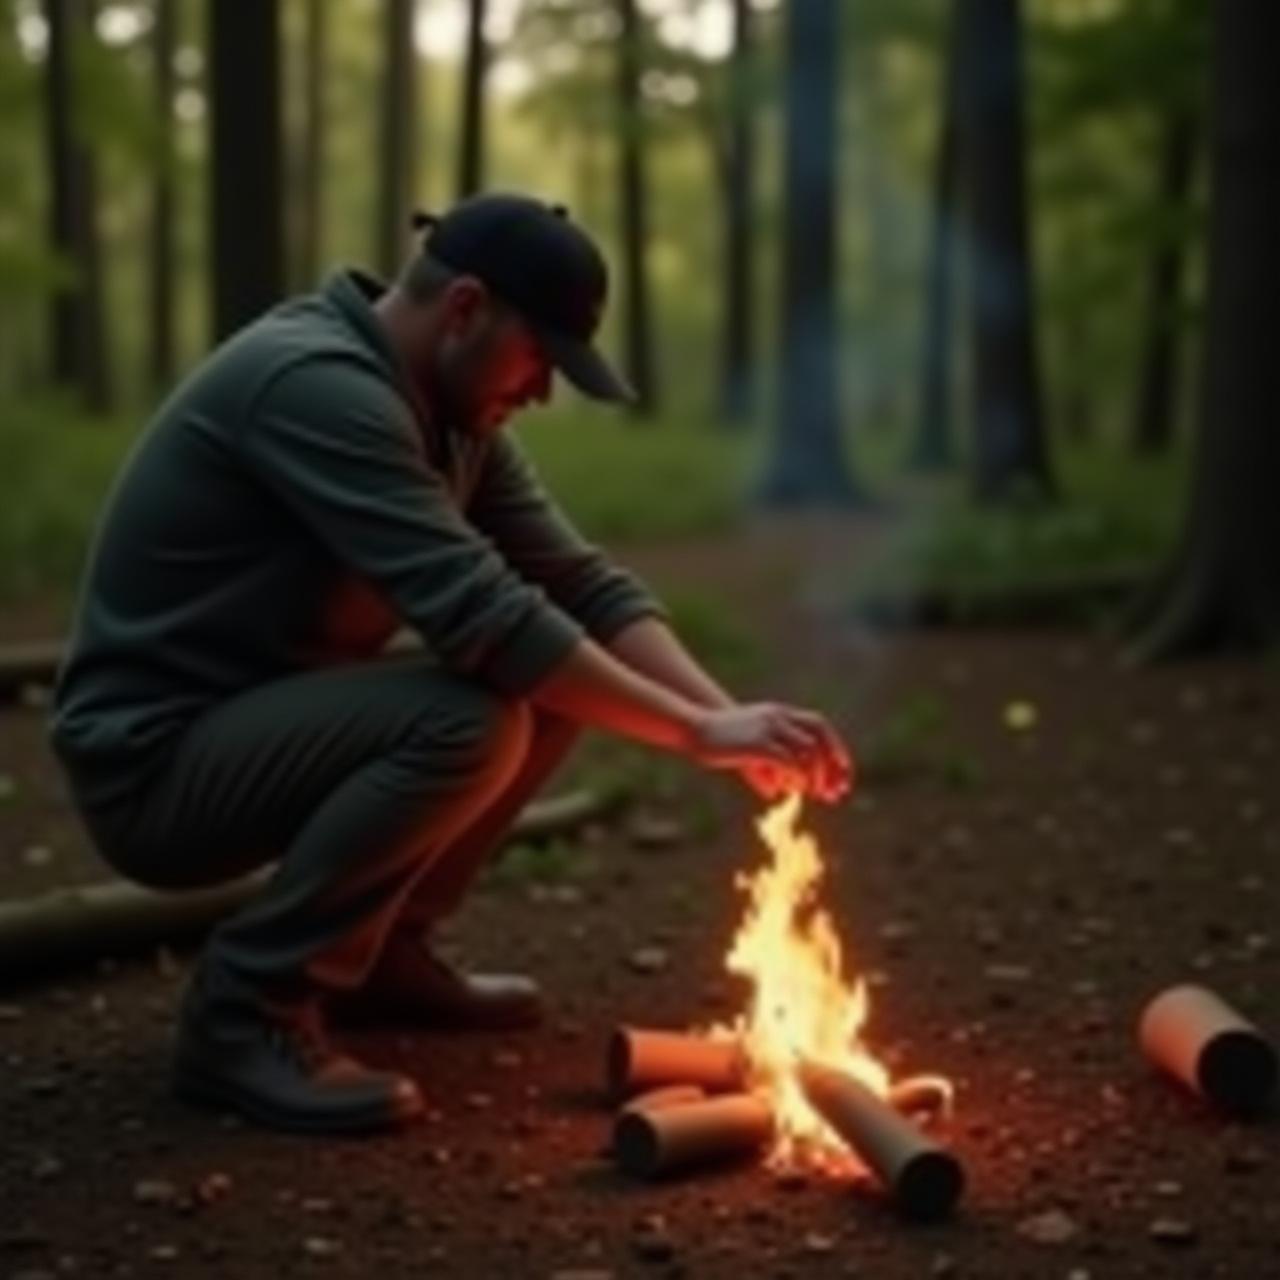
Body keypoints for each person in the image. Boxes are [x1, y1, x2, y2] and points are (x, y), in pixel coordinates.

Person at [47, 193, 852, 1136]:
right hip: (153, 765)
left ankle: (382, 955)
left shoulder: (459, 417)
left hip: (254, 720)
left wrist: (729, 719)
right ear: (465, 308)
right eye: (540, 357)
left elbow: (580, 586)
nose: (544, 391)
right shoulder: (316, 385)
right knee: (474, 716)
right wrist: (695, 733)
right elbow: (486, 619)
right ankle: (243, 1014)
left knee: (557, 688)